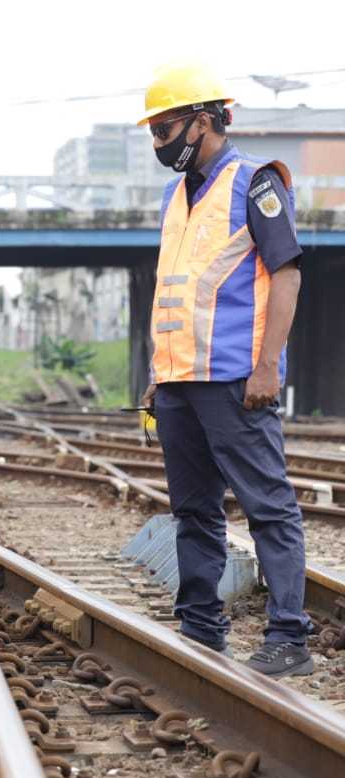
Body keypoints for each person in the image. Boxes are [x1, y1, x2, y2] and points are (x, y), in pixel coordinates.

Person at [138, 64, 312, 678]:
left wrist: (269, 366)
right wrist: (159, 372)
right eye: (154, 132)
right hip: (181, 382)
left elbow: (285, 272)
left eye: (165, 128)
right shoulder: (174, 196)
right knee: (194, 510)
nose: (159, 142)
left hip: (237, 378)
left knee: (267, 505)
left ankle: (289, 637)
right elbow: (173, 292)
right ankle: (201, 629)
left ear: (205, 120)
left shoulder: (255, 182)